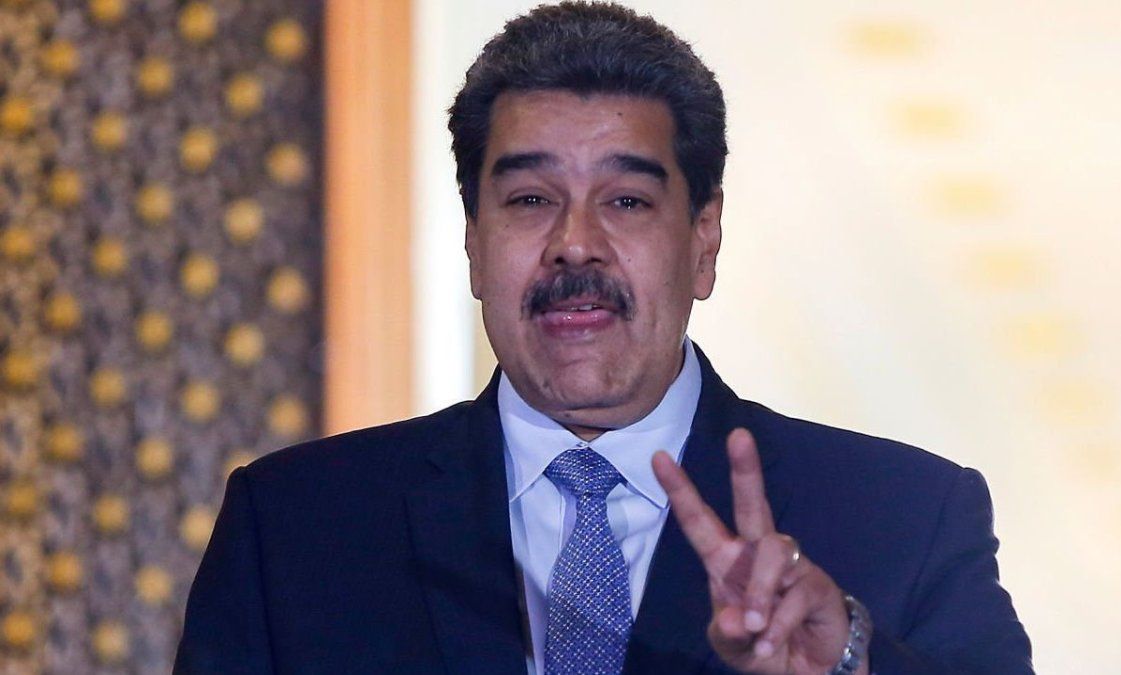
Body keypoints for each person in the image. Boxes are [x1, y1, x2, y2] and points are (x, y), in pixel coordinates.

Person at [175, 3, 1033, 674]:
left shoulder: (905, 516)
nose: (575, 244)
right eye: (529, 199)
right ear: (473, 241)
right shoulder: (297, 527)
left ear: (703, 239)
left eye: (626, 201)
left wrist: (846, 659)